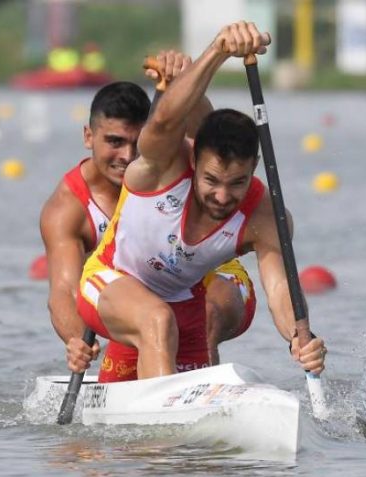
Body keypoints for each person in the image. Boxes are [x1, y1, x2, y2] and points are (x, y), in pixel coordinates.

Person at [77, 21, 327, 381]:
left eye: (237, 182)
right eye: (211, 180)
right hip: (108, 281)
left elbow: (278, 288)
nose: (223, 196)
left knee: (172, 338)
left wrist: (299, 339)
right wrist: (219, 51)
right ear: (192, 160)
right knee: (156, 319)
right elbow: (164, 121)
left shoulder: (264, 215)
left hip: (183, 302)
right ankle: (160, 432)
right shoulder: (162, 166)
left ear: (254, 168)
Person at [40, 51, 258, 381]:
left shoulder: (167, 160)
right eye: (114, 142)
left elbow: (208, 133)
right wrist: (75, 340)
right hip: (131, 291)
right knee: (151, 324)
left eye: (135, 142)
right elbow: (65, 289)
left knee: (208, 312)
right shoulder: (69, 206)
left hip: (208, 273)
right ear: (89, 137)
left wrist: (186, 78)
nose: (127, 156)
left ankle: (204, 391)